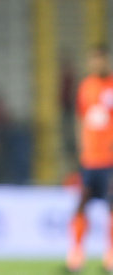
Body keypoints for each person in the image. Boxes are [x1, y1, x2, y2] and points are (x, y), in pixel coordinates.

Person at [66, 44, 113, 272]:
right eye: (93, 59)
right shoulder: (86, 86)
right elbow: (80, 117)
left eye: (100, 59)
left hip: (110, 160)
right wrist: (80, 145)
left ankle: (110, 256)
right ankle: (76, 255)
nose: (96, 63)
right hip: (89, 159)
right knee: (81, 205)